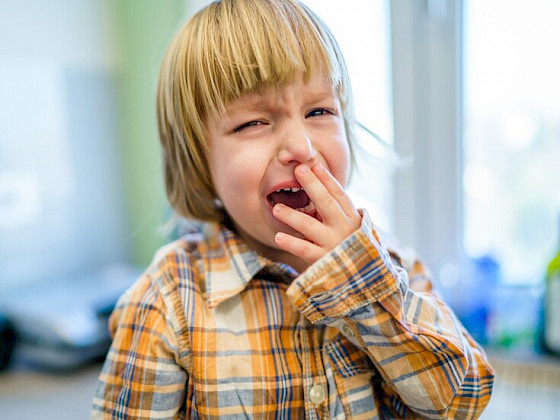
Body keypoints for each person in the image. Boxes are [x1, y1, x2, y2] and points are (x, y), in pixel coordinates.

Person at [92, 0, 495, 418]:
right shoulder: (166, 301)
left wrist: (362, 286)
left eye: (319, 111)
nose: (302, 148)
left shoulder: (395, 267)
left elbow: (464, 401)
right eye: (252, 122)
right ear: (199, 161)